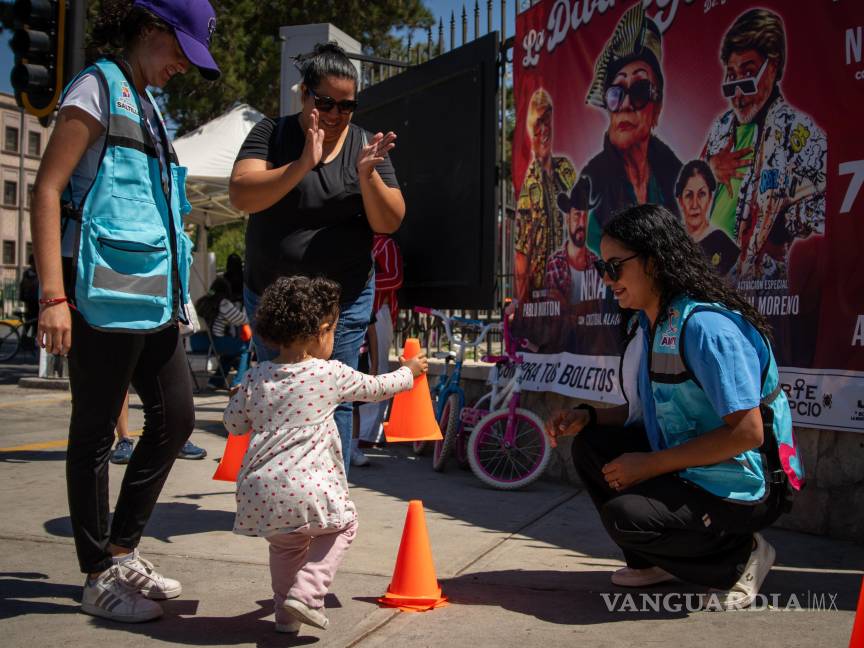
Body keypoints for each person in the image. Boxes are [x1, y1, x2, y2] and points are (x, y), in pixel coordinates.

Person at [31, 0, 220, 623]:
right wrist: (53, 297)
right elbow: (49, 187)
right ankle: (96, 575)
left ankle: (121, 549)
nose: (183, 68)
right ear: (151, 29)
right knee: (91, 435)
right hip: (100, 298)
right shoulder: (97, 88)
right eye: (180, 52)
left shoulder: (151, 105)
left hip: (154, 301)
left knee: (176, 418)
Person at [546, 204, 805, 611]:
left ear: (653, 262)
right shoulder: (655, 323)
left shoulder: (705, 328)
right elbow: (644, 413)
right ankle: (654, 563)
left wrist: (650, 465)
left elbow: (748, 433)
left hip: (748, 484)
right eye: (602, 267)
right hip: (693, 467)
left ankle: (740, 560)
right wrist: (589, 415)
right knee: (592, 446)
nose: (608, 279)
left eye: (616, 266)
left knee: (627, 516)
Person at [229, 41, 405, 475]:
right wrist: (300, 165)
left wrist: (368, 177)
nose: (335, 114)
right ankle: (281, 493)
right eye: (325, 102)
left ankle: (329, 497)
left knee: (337, 398)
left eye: (346, 106)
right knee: (275, 396)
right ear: (304, 94)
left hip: (341, 301)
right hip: (273, 299)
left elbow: (390, 220)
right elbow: (241, 194)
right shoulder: (273, 133)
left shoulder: (365, 145)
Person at [223, 276, 428, 634]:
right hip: (309, 489)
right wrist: (408, 372)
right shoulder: (329, 373)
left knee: (286, 549)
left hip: (260, 493)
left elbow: (234, 425)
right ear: (321, 331)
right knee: (344, 525)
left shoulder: (256, 378)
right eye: (334, 329)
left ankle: (285, 617)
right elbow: (377, 389)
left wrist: (238, 395)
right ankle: (307, 592)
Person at [701, 8, 826, 282]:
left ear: (773, 66)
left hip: (758, 289)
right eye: (731, 78)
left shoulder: (798, 130)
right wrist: (708, 168)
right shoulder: (721, 127)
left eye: (747, 76)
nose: (737, 95)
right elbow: (689, 187)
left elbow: (830, 206)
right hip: (711, 280)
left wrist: (783, 225)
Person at [582, 2, 682, 255]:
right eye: (616, 94)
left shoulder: (678, 178)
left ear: (657, 106)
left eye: (639, 91)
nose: (625, 104)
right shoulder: (590, 183)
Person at [514, 88, 577, 304]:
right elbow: (522, 253)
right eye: (537, 123)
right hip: (541, 297)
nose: (543, 130)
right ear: (530, 131)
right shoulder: (529, 184)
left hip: (570, 289)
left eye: (547, 121)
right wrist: (523, 301)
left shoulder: (566, 169)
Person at [357, 233, 403, 450]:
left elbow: (395, 277)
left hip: (379, 312)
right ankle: (363, 431)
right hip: (361, 312)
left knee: (379, 369)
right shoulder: (361, 241)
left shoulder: (386, 244)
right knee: (361, 367)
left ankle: (373, 433)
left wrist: (364, 280)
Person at [675, 160, 738, 277]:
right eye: (689, 195)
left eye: (701, 194)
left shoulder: (723, 244)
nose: (695, 204)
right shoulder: (672, 243)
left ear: (710, 198)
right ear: (680, 200)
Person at [544, 176, 597, 303]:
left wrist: (567, 307)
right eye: (577, 215)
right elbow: (555, 317)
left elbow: (601, 309)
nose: (582, 223)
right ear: (567, 218)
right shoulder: (554, 264)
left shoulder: (596, 263)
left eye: (585, 216)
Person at [195, 276, 251, 391]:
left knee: (230, 353)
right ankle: (238, 382)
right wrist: (252, 317)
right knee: (246, 347)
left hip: (198, 341)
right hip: (216, 342)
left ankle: (215, 382)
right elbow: (239, 319)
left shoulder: (202, 301)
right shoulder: (223, 303)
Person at [19, 254, 39, 347]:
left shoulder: (38, 273)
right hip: (30, 302)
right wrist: (23, 298)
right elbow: (22, 287)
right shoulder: (27, 274)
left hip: (37, 303)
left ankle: (33, 342)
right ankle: (23, 341)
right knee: (28, 323)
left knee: (36, 324)